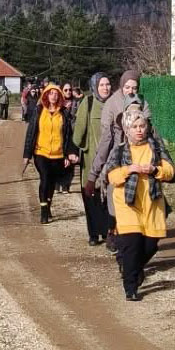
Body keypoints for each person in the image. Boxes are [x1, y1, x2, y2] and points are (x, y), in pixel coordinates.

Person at [104, 105, 175, 300]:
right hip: (128, 204)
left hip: (152, 203)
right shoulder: (119, 151)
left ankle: (134, 268)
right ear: (127, 130)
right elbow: (111, 176)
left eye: (142, 125)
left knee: (150, 245)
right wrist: (129, 170)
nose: (139, 129)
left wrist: (155, 170)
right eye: (135, 126)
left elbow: (171, 171)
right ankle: (131, 287)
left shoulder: (157, 148)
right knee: (132, 245)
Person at [86, 70, 151, 250]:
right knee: (116, 203)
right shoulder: (112, 105)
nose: (130, 91)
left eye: (134, 88)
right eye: (127, 87)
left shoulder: (143, 103)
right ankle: (114, 234)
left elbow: (151, 132)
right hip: (118, 160)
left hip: (141, 158)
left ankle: (138, 241)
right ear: (122, 86)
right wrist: (94, 175)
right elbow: (106, 142)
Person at [23, 85, 79, 224]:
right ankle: (43, 212)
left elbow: (68, 136)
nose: (53, 96)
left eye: (56, 94)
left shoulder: (64, 113)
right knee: (45, 178)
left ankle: (48, 206)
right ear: (46, 96)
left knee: (52, 182)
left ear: (60, 96)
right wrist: (27, 155)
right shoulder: (39, 110)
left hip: (58, 154)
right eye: (51, 93)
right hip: (41, 152)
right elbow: (31, 133)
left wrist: (68, 155)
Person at [73, 72, 115, 245]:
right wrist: (81, 148)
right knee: (91, 195)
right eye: (101, 85)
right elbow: (78, 133)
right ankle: (93, 233)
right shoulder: (88, 103)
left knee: (109, 197)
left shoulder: (115, 104)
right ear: (95, 87)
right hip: (92, 159)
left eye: (107, 84)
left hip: (112, 160)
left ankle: (107, 231)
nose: (105, 88)